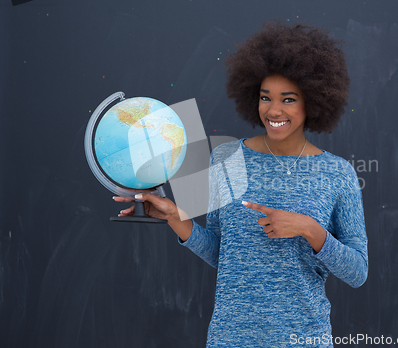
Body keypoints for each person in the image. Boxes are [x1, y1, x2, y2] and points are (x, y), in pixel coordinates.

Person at [115, 22, 368, 348]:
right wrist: (177, 220)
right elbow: (226, 255)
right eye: (266, 98)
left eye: (288, 99)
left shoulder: (337, 173)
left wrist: (310, 230)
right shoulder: (226, 157)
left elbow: (358, 272)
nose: (274, 110)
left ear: (313, 101)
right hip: (229, 339)